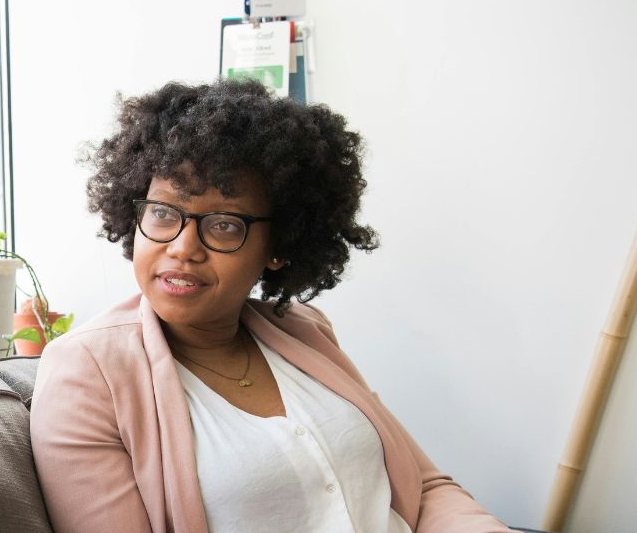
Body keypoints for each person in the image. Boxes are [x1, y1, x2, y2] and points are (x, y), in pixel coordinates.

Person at [30, 79, 512, 533]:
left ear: (277, 246)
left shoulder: (304, 330)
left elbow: (424, 491)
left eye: (223, 224)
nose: (182, 248)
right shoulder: (86, 373)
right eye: (163, 213)